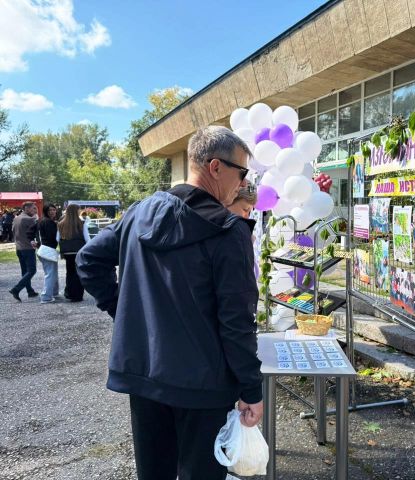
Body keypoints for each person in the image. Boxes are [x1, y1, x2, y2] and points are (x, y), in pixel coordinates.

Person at [76, 126, 263, 480]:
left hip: (146, 375)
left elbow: (88, 260)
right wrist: (252, 389)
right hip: (204, 387)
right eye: (241, 173)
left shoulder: (140, 213)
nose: (242, 182)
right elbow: (237, 321)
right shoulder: (229, 231)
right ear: (215, 167)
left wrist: (126, 311)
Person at [57, 204, 90, 302]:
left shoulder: (61, 224)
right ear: (77, 211)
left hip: (67, 252)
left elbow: (57, 238)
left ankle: (70, 293)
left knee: (70, 272)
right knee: (78, 273)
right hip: (79, 251)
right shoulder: (82, 223)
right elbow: (87, 238)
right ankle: (78, 295)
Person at [9, 202, 39, 302]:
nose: (35, 210)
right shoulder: (30, 219)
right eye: (33, 208)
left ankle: (30, 291)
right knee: (32, 270)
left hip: (19, 248)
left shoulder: (16, 218)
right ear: (26, 208)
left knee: (25, 271)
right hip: (27, 248)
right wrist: (36, 216)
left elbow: (13, 232)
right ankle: (16, 289)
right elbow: (37, 230)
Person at [36, 203, 59, 304]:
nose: (52, 212)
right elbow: (53, 237)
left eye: (53, 210)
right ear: (46, 211)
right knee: (50, 274)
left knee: (52, 273)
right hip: (48, 250)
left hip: (45, 250)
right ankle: (46, 297)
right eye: (50, 210)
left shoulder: (43, 221)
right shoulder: (48, 222)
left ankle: (54, 292)